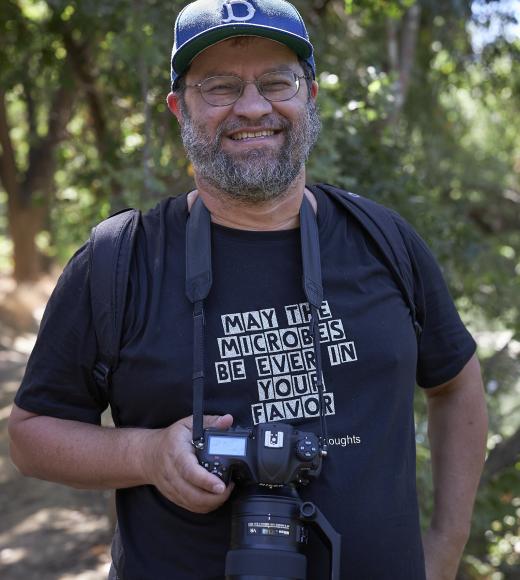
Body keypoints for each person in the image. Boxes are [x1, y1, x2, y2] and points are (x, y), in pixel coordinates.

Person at [8, 1, 488, 578]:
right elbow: (32, 436)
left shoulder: (382, 239)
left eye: (277, 81)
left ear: (310, 97)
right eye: (219, 87)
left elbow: (456, 383)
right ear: (178, 108)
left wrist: (445, 544)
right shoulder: (120, 260)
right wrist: (147, 454)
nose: (254, 106)